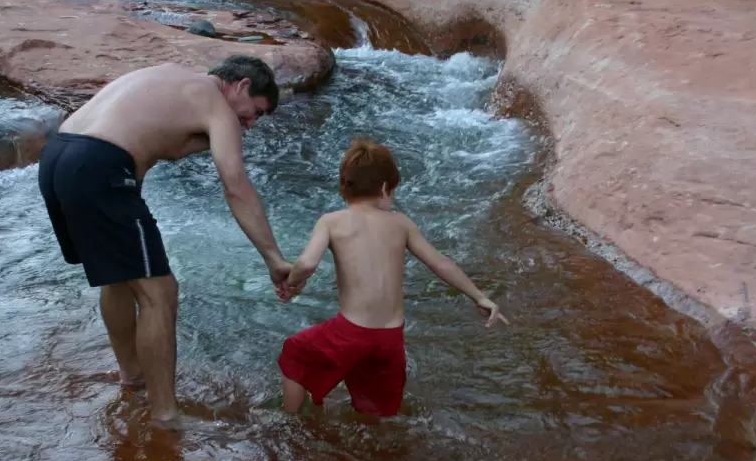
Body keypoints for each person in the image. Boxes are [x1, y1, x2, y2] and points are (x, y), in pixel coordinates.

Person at [38, 56, 292, 425]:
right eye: (255, 112)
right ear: (240, 86)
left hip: (58, 156)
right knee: (160, 293)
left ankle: (133, 378)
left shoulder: (169, 76)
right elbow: (236, 188)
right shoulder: (216, 105)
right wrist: (273, 258)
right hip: (100, 166)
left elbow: (161, 141)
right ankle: (165, 416)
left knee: (120, 278)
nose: (251, 124)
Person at [276, 138, 507, 416]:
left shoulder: (332, 221)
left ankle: (287, 421)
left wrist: (292, 283)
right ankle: (377, 449)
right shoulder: (402, 224)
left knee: (295, 353)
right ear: (385, 188)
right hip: (391, 339)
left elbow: (308, 263)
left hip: (351, 333)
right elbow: (441, 263)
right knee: (377, 410)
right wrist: (479, 296)